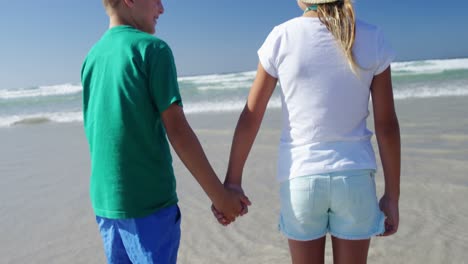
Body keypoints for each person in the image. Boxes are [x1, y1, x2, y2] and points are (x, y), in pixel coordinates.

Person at [212, 0, 400, 263]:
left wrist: (232, 181)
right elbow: (387, 126)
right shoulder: (371, 36)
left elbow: (251, 117)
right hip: (354, 179)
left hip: (301, 179)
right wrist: (392, 196)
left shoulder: (282, 36)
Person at [81, 0, 250, 263]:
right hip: (149, 204)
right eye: (157, 0)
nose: (162, 8)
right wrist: (220, 196)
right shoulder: (152, 49)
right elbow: (178, 131)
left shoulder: (91, 58)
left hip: (106, 204)